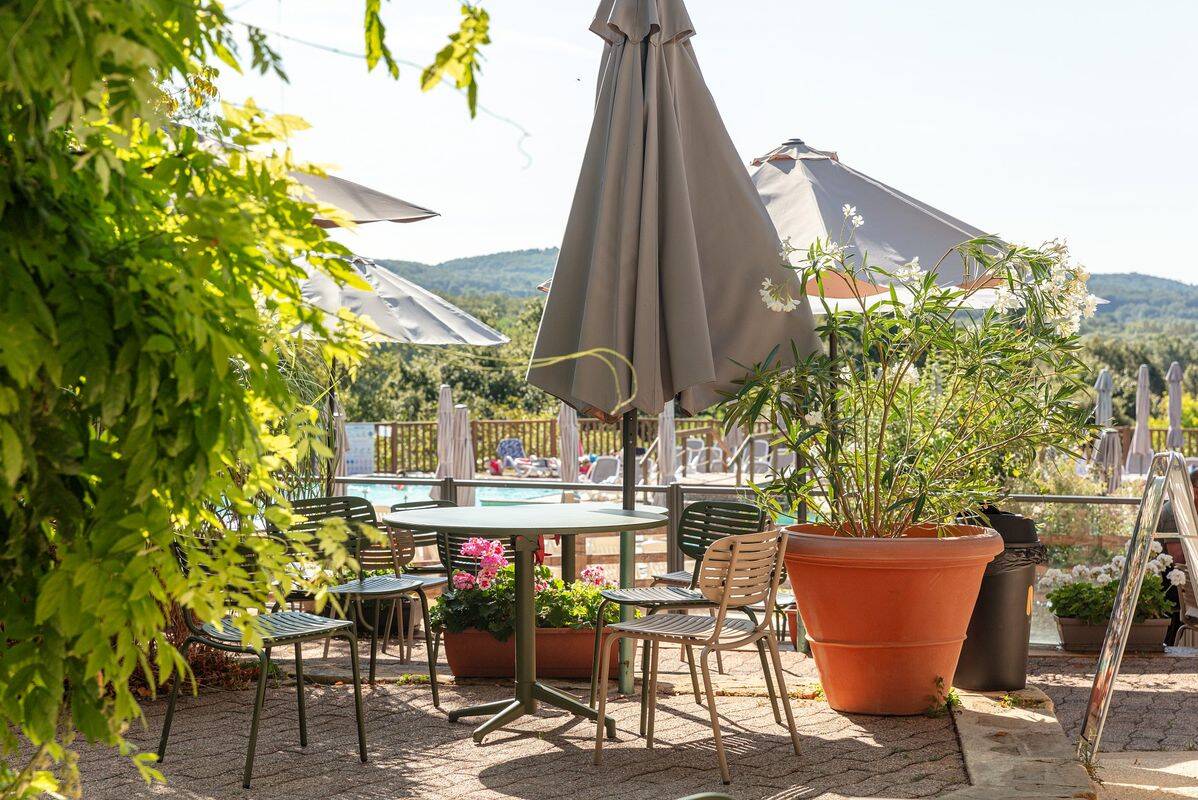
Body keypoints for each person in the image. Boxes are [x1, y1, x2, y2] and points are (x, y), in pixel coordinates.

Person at [1156, 465, 1198, 644]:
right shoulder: (1175, 512)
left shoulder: (1190, 510)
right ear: (1193, 490)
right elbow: (1178, 559)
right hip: (1172, 585)